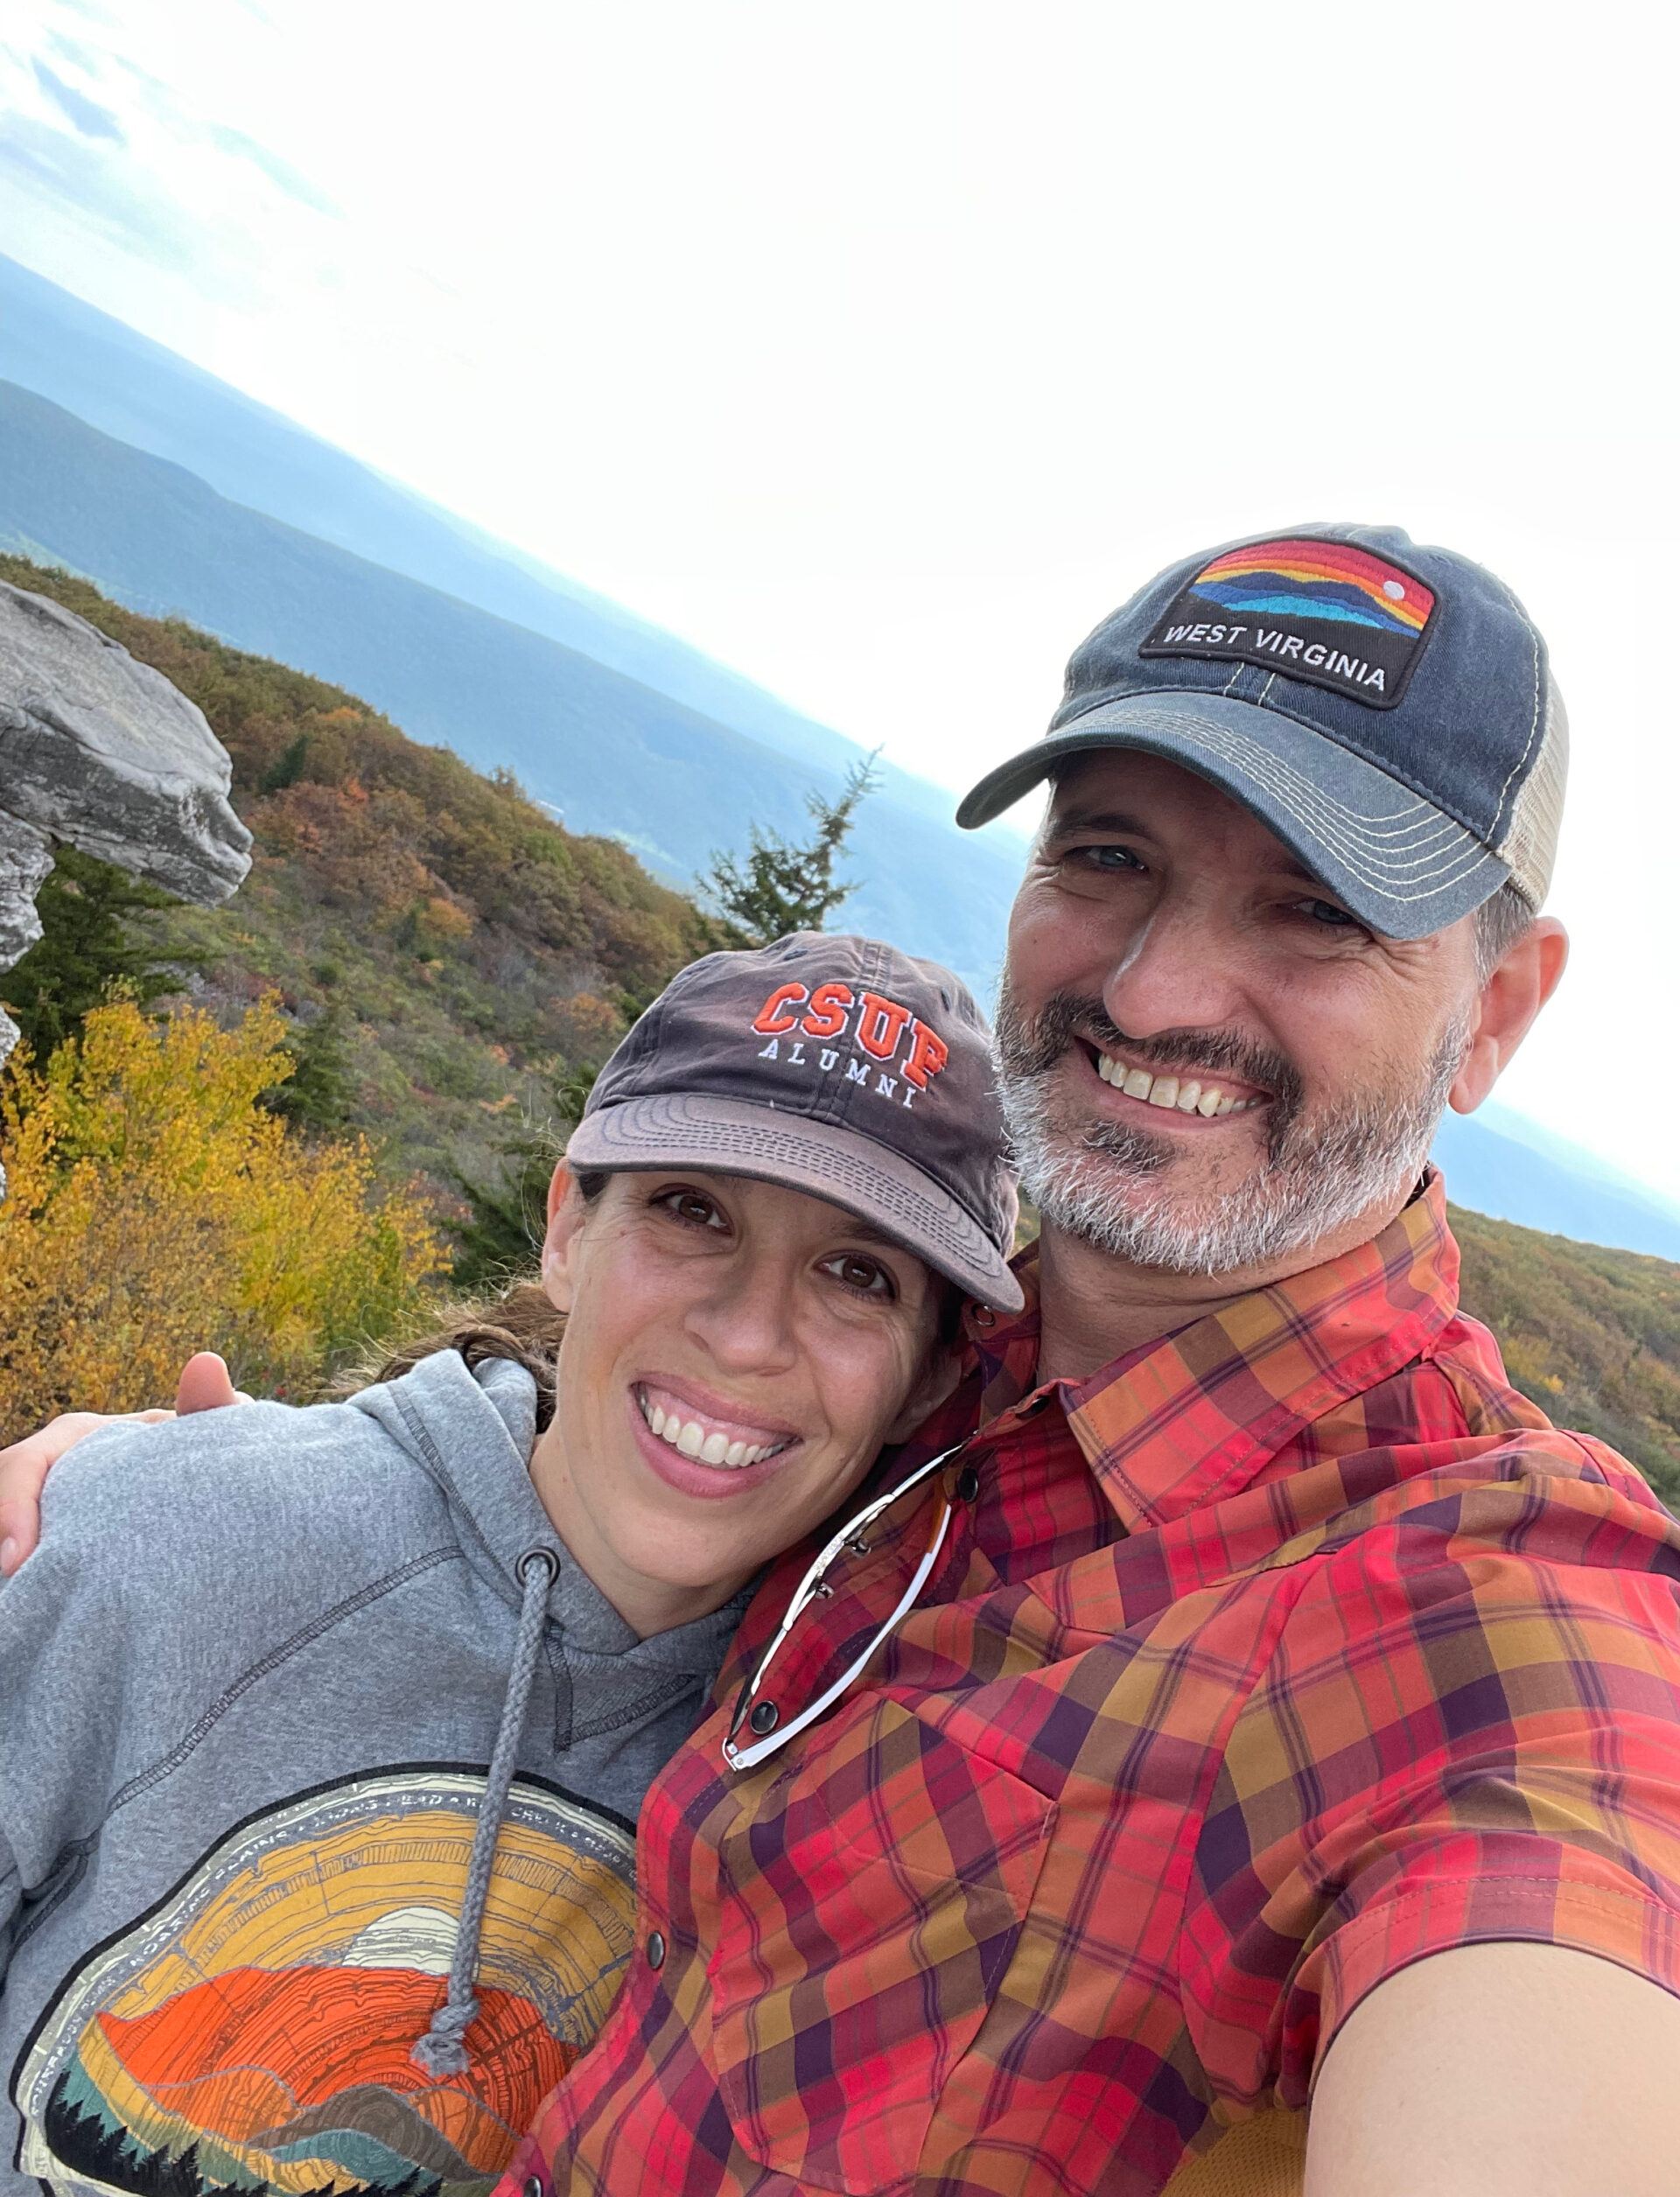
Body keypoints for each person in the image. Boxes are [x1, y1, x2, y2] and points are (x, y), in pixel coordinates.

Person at [13, 527, 1680, 2197]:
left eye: (1317, 911)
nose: (1158, 986)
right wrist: (182, 1500)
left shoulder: (1501, 1622)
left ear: (1496, 1015)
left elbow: (1551, 1937)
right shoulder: (914, 1378)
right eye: (1107, 856)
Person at [0, 933, 1019, 2197]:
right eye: (692, 1210)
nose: (750, 1333)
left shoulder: (847, 1765)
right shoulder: (170, 1545)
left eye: (856, 1273)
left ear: (924, 1379)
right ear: (565, 1231)